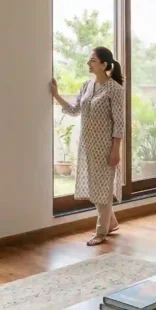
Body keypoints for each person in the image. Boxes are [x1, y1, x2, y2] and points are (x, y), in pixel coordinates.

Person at [50, 46, 125, 246]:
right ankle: (112, 221)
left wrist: (116, 149)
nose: (88, 63)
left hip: (106, 146)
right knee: (95, 188)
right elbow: (75, 110)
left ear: (103, 64)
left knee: (103, 188)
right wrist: (56, 96)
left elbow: (119, 122)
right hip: (87, 146)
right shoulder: (86, 86)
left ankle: (101, 232)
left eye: (92, 60)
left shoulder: (115, 89)